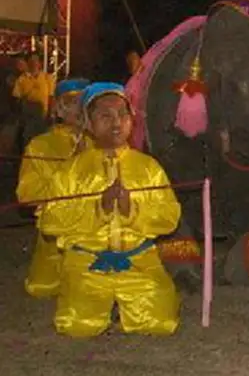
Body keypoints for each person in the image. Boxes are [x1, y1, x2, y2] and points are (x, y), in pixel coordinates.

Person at [38, 82, 183, 338]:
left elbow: (169, 217)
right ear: (88, 124)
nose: (116, 122)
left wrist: (131, 210)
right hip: (88, 264)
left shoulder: (148, 167)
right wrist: (98, 209)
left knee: (161, 323)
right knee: (77, 326)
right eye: (105, 116)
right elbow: (50, 222)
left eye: (123, 114)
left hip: (138, 262)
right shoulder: (72, 171)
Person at [16, 77, 92, 298]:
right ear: (58, 109)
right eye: (72, 102)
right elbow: (27, 195)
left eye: (84, 102)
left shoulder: (102, 142)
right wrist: (73, 167)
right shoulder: (40, 146)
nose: (79, 109)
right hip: (57, 237)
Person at [11, 56, 55, 150]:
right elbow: (16, 97)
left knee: (42, 140)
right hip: (28, 116)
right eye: (31, 61)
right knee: (27, 140)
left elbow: (51, 96)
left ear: (40, 64)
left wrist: (50, 113)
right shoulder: (21, 79)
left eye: (35, 61)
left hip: (43, 115)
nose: (33, 64)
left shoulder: (47, 77)